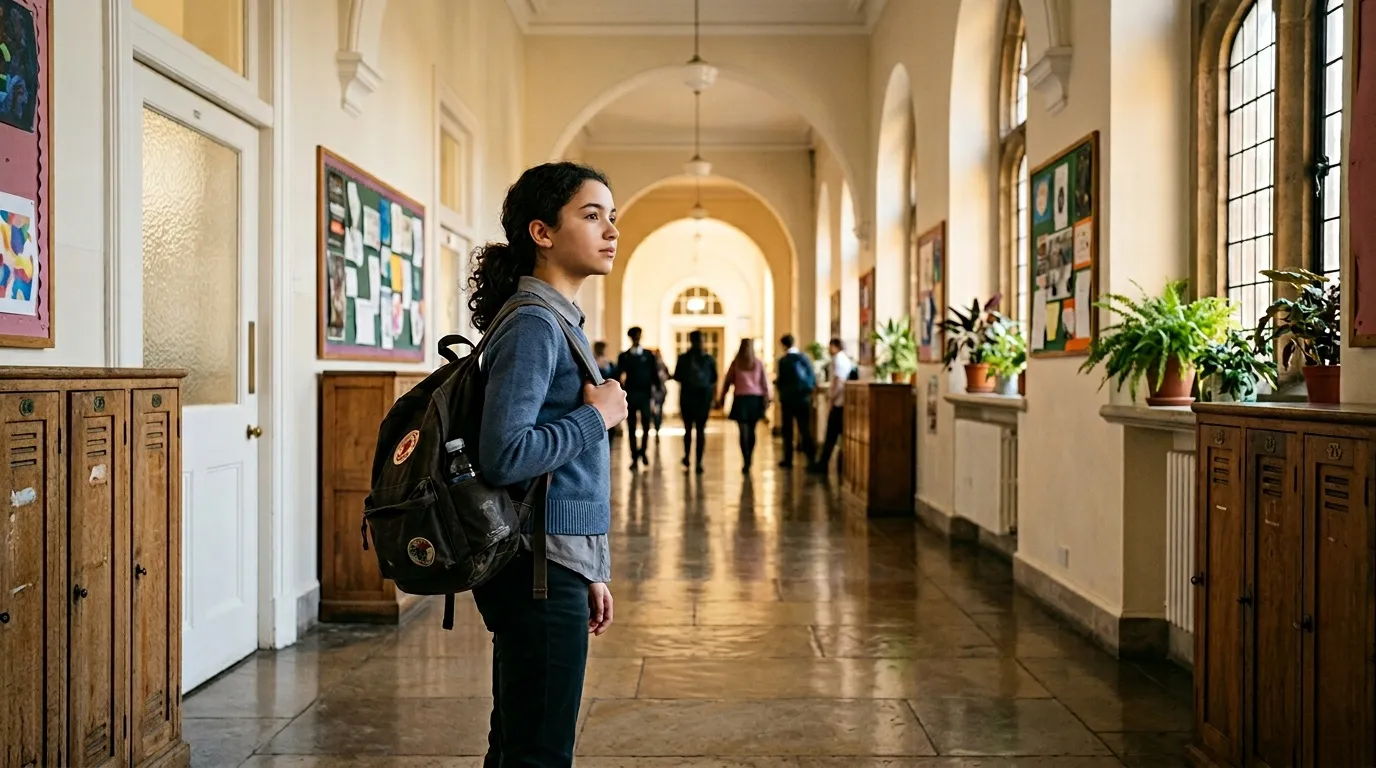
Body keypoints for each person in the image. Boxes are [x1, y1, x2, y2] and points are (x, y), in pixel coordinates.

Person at [467, 161, 627, 766]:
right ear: (542, 232)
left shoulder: (556, 318)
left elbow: (564, 475)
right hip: (536, 569)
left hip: (551, 561)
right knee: (539, 753)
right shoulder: (536, 322)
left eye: (612, 217)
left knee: (518, 743)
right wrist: (600, 416)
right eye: (591, 216)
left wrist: (590, 567)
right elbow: (505, 455)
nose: (610, 230)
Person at [718, 339, 771, 473]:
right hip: (755, 399)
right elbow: (764, 383)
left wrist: (722, 397)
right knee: (751, 430)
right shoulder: (758, 363)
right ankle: (749, 458)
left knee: (743, 431)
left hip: (741, 399)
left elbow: (727, 381)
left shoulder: (736, 363)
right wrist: (767, 398)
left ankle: (745, 459)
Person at [672, 330, 717, 473]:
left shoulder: (683, 358)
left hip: (687, 397)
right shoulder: (709, 359)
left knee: (688, 430)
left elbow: (677, 377)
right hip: (703, 398)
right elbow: (714, 379)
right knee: (701, 430)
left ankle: (687, 457)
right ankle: (698, 461)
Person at [810, 337, 855, 475]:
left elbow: (838, 380)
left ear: (835, 346)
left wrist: (831, 397)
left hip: (838, 403)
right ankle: (827, 463)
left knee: (832, 434)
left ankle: (824, 464)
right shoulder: (843, 359)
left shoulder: (838, 360)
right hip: (840, 402)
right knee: (835, 435)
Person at [617, 327, 658, 469]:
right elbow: (618, 376)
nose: (636, 338)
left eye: (638, 336)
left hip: (645, 396)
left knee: (647, 426)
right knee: (632, 427)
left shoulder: (649, 355)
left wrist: (655, 397)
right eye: (634, 336)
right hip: (631, 396)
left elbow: (655, 376)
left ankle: (643, 451)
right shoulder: (624, 356)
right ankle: (634, 456)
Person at [774, 334, 817, 469]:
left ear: (783, 345)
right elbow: (811, 377)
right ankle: (811, 458)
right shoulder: (804, 358)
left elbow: (780, 380)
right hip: (803, 399)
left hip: (788, 400)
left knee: (788, 431)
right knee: (805, 429)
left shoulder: (783, 361)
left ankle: (788, 459)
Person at [593, 341, 621, 438]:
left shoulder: (610, 364)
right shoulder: (591, 363)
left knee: (610, 427)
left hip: (609, 398)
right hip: (596, 398)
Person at [649, 348, 670, 437]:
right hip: (655, 391)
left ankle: (657, 427)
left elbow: (668, 376)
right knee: (656, 411)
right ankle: (657, 426)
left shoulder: (662, 365)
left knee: (658, 410)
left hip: (659, 391)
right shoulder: (656, 365)